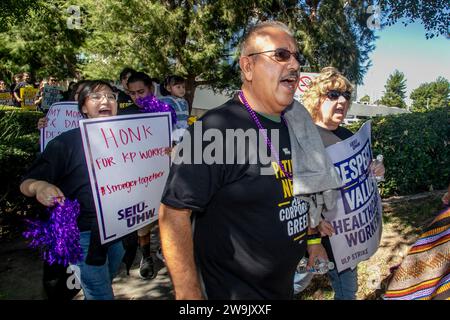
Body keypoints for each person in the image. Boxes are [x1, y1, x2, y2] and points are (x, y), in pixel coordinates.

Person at [158, 21, 331, 300]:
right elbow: (173, 213)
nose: (295, 65)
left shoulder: (297, 126)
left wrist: (313, 241)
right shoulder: (213, 129)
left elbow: (303, 192)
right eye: (281, 55)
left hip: (285, 288)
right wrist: (189, 295)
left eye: (298, 57)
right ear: (248, 67)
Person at [20, 80, 126, 300]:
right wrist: (41, 186)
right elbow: (27, 182)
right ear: (83, 108)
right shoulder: (65, 143)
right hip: (85, 232)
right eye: (96, 97)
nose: (105, 100)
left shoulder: (130, 139)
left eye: (111, 96)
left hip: (120, 227)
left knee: (105, 279)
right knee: (101, 293)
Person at [297, 67, 385, 300]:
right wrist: (313, 225)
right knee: (288, 287)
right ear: (317, 98)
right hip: (306, 239)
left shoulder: (349, 136)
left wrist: (376, 170)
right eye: (333, 95)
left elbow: (363, 178)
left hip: (344, 241)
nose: (342, 100)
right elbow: (291, 188)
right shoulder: (302, 136)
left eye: (346, 95)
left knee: (348, 294)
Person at [160, 75, 190, 141]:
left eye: (183, 87)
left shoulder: (184, 102)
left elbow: (186, 118)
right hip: (173, 134)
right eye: (178, 87)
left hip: (184, 132)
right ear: (169, 88)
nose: (182, 89)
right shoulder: (167, 100)